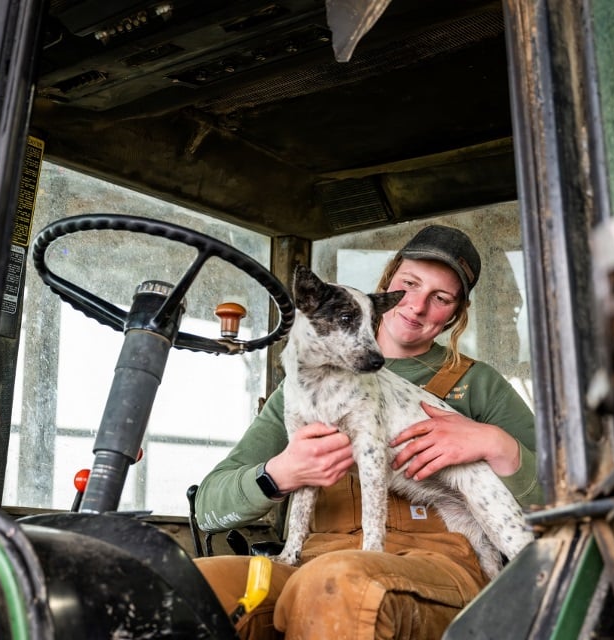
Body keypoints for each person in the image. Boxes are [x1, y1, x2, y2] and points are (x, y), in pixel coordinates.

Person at [193, 225, 541, 640]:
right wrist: (280, 473)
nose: (416, 307)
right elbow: (208, 508)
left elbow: (569, 494)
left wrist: (496, 443)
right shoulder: (302, 386)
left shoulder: (479, 385)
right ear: (388, 282)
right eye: (410, 285)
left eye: (441, 298)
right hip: (312, 560)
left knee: (340, 582)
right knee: (192, 585)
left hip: (438, 566)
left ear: (456, 314)